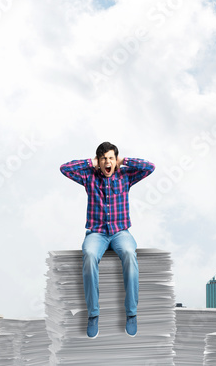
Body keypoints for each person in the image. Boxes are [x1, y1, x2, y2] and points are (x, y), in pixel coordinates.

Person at [60, 142, 155, 338]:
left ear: (116, 160)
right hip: (97, 232)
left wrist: (124, 161)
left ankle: (131, 313)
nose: (107, 162)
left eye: (111, 158)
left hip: (121, 232)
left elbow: (150, 167)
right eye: (103, 158)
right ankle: (93, 314)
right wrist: (90, 162)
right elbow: (64, 169)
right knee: (89, 254)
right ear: (99, 161)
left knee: (129, 253)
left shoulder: (125, 176)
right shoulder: (89, 176)